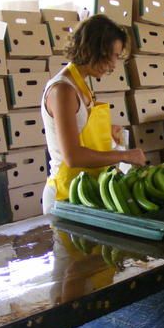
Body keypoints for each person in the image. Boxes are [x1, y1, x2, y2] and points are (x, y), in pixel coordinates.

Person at [41, 15, 146, 214]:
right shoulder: (63, 90)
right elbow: (72, 156)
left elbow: (78, 127)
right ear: (95, 49)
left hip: (86, 192)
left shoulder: (81, 84)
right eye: (113, 55)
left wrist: (107, 131)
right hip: (65, 196)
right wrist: (125, 155)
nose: (114, 65)